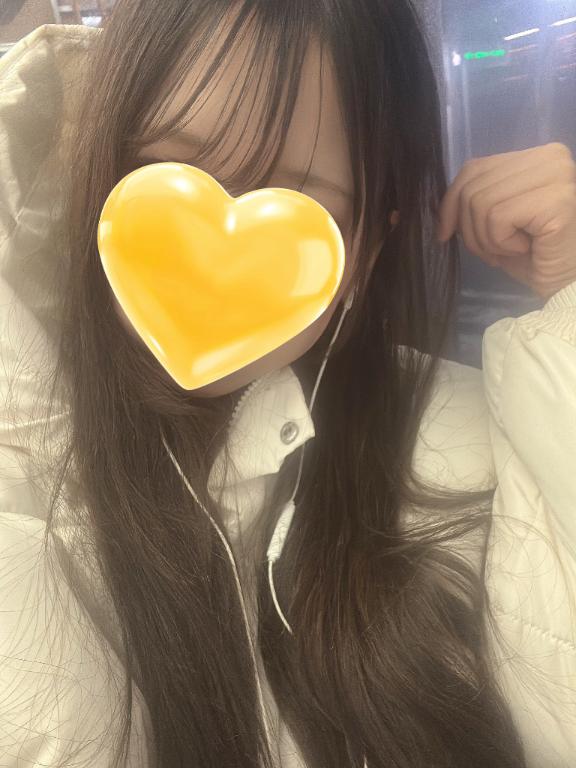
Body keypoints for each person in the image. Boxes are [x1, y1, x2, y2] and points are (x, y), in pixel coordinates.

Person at [0, 3, 574, 768]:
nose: (216, 270)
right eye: (169, 174)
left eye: (298, 207)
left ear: (365, 251)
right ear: (95, 170)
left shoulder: (475, 452)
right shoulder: (22, 466)